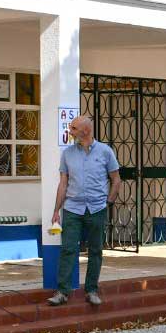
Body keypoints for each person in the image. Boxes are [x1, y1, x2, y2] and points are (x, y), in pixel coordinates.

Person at [48, 115, 122, 306]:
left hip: (97, 208)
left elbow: (116, 179)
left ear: (85, 131)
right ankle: (62, 292)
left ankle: (91, 290)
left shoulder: (105, 152)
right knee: (68, 249)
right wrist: (57, 210)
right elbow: (63, 183)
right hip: (72, 208)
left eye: (73, 128)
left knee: (96, 250)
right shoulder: (67, 154)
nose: (70, 131)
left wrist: (109, 201)